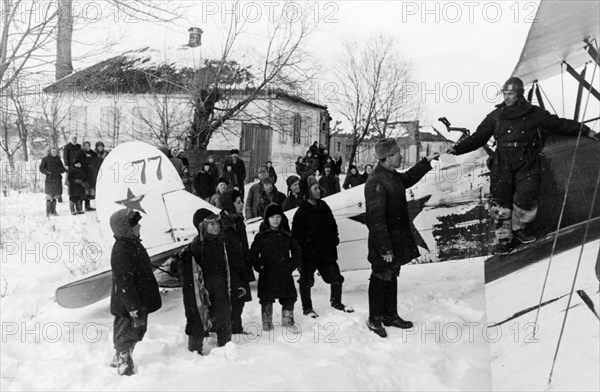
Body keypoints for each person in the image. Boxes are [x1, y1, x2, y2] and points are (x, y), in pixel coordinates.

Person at [446, 76, 599, 255]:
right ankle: (503, 240)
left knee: (526, 196)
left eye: (511, 94)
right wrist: (456, 149)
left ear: (519, 94)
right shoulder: (495, 117)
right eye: (505, 93)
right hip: (502, 162)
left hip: (527, 161)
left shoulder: (535, 113)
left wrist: (585, 129)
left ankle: (519, 229)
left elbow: (559, 124)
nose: (507, 97)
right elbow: (477, 138)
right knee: (501, 202)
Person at [364, 138, 439, 338]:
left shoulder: (391, 175)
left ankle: (390, 315)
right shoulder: (376, 182)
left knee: (392, 275)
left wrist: (426, 162)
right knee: (380, 277)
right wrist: (385, 248)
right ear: (388, 158)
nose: (401, 156)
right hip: (384, 243)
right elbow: (375, 219)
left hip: (395, 239)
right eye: (398, 154)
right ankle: (374, 318)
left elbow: (407, 179)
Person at [109, 209, 161, 375]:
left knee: (137, 331)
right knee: (126, 334)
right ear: (126, 229)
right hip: (129, 305)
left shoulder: (133, 244)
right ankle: (124, 366)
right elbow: (124, 283)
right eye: (136, 224)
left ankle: (120, 357)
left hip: (138, 300)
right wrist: (132, 308)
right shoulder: (121, 250)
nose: (139, 226)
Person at [292, 175, 353, 318]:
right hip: (308, 255)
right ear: (307, 192)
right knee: (306, 282)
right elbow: (296, 237)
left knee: (336, 278)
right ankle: (307, 309)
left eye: (318, 187)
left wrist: (334, 240)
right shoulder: (301, 212)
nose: (318, 190)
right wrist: (302, 254)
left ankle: (336, 302)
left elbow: (333, 226)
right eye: (314, 188)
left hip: (326, 253)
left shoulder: (324, 206)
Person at [179, 209, 232, 351]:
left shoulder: (220, 243)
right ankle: (194, 353)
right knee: (198, 323)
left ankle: (227, 351)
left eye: (217, 223)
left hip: (219, 291)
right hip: (202, 294)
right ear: (201, 226)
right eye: (212, 224)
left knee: (223, 319)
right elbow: (190, 281)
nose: (217, 226)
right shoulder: (195, 248)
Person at [250, 203, 301, 331]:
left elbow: (296, 252)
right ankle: (267, 324)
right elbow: (253, 254)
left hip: (284, 272)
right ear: (267, 219)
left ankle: (288, 321)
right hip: (267, 273)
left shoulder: (286, 235)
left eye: (278, 217)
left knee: (289, 297)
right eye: (272, 217)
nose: (276, 220)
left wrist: (291, 265)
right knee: (266, 300)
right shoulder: (261, 236)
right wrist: (260, 266)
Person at [218, 190, 254, 334]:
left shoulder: (238, 220)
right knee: (231, 300)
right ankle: (231, 329)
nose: (242, 204)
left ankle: (237, 328)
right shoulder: (220, 223)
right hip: (229, 268)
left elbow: (243, 245)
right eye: (238, 202)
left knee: (240, 300)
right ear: (230, 204)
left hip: (241, 266)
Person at [39, 146, 66, 216]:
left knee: (55, 197)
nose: (54, 153)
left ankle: (53, 211)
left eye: (55, 152)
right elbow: (41, 168)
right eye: (53, 151)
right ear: (50, 152)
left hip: (57, 180)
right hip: (49, 180)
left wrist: (65, 169)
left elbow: (61, 168)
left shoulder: (58, 159)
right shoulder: (45, 159)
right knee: (49, 196)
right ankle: (48, 212)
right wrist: (47, 172)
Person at [75, 141, 99, 211]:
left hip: (91, 174)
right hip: (83, 173)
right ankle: (80, 207)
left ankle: (87, 206)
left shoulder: (93, 153)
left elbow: (96, 162)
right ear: (83, 146)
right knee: (83, 190)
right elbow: (76, 161)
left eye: (88, 145)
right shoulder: (80, 153)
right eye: (86, 145)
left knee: (89, 190)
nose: (87, 147)